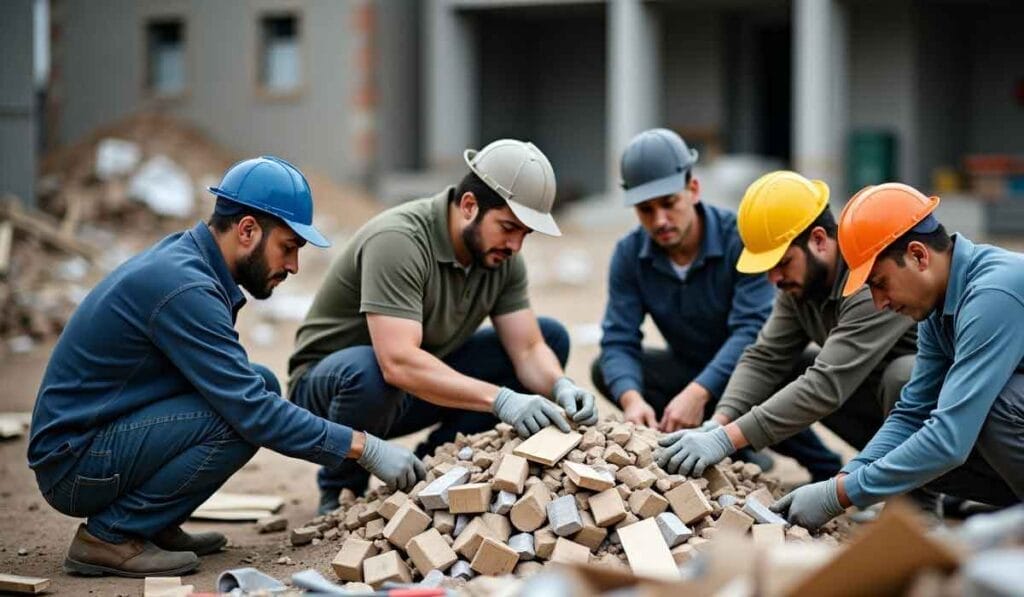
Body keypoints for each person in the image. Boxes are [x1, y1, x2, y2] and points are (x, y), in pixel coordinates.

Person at [28, 156, 425, 578]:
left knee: (260, 383)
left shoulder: (190, 264)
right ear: (248, 229)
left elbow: (245, 392)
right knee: (243, 414)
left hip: (94, 441)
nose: (292, 266)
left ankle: (153, 525)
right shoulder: (187, 288)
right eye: (288, 248)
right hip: (74, 465)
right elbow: (253, 412)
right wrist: (365, 447)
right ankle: (110, 537)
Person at [288, 139, 598, 514]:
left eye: (525, 234)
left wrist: (560, 385)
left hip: (409, 385)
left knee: (552, 338)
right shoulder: (399, 240)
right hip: (332, 395)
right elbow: (397, 362)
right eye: (508, 227)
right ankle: (341, 490)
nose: (516, 245)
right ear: (469, 205)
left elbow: (529, 348)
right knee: (371, 370)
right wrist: (502, 400)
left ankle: (435, 468)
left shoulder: (502, 258)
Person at [771, 183, 1024, 530]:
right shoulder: (938, 308)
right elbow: (911, 413)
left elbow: (950, 440)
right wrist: (847, 477)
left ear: (919, 256)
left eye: (880, 283)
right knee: (914, 455)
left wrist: (842, 495)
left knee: (993, 407)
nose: (880, 303)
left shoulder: (992, 294)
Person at [592, 130, 839, 478]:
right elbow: (619, 338)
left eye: (668, 203)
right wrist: (632, 400)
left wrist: (699, 392)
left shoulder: (743, 240)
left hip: (747, 362)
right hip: (688, 364)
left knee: (764, 375)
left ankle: (824, 467)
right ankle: (738, 457)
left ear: (693, 189)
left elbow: (753, 332)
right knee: (608, 368)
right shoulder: (629, 254)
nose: (659, 220)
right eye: (646, 210)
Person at [657, 171, 918, 483]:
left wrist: (726, 441)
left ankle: (923, 499)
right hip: (893, 412)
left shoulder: (869, 280)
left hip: (961, 421)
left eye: (782, 263)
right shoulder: (799, 287)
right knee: (795, 367)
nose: (774, 279)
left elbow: (825, 386)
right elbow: (765, 357)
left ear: (819, 240)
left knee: (903, 375)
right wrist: (719, 421)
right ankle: (894, 478)